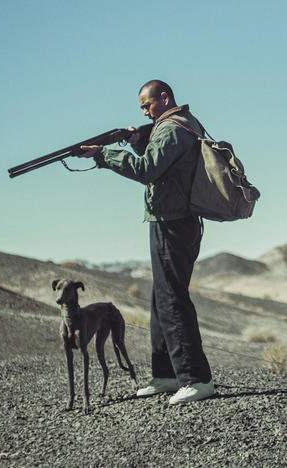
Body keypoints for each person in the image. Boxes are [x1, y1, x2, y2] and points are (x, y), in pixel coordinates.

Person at [77, 79, 215, 405]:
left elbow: (148, 169)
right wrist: (139, 141)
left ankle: (197, 379)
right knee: (160, 299)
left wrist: (105, 155)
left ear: (164, 98)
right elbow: (164, 164)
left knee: (172, 300)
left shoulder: (171, 129)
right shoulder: (181, 125)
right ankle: (166, 374)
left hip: (172, 223)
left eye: (147, 105)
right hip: (173, 221)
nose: (144, 111)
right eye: (142, 108)